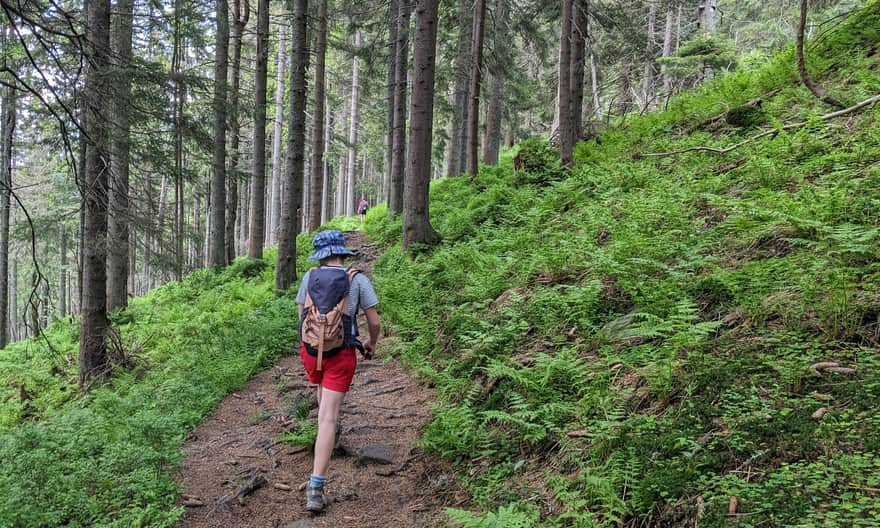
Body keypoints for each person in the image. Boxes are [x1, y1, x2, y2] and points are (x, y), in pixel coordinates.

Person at [295, 229, 380, 513]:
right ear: (342, 252)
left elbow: (302, 316)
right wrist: (370, 343)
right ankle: (316, 487)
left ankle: (323, 436)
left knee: (323, 410)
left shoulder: (309, 277)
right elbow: (374, 321)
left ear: (320, 255)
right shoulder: (357, 279)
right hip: (342, 354)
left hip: (311, 352)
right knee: (329, 418)